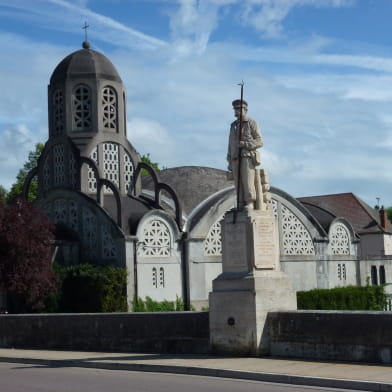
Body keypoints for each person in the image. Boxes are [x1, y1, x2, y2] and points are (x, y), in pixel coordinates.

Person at [227, 99, 263, 210]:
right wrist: (229, 159)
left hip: (247, 156)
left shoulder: (252, 122)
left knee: (247, 181)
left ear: (245, 110)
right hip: (235, 158)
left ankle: (250, 202)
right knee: (238, 184)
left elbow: (260, 141)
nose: (236, 111)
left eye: (239, 108)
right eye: (235, 109)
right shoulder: (233, 125)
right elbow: (230, 143)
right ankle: (240, 202)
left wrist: (246, 144)